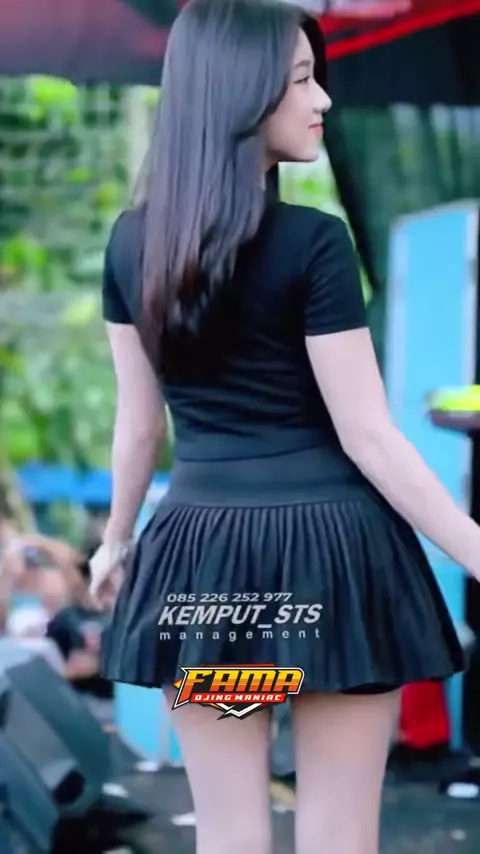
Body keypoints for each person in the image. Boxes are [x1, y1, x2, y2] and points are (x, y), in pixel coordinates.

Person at [88, 1, 475, 852]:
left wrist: (116, 543)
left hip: (208, 571)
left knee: (230, 833)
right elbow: (369, 437)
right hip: (335, 566)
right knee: (338, 837)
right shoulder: (314, 244)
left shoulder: (132, 247)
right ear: (240, 93)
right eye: (302, 81)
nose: (324, 100)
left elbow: (139, 426)